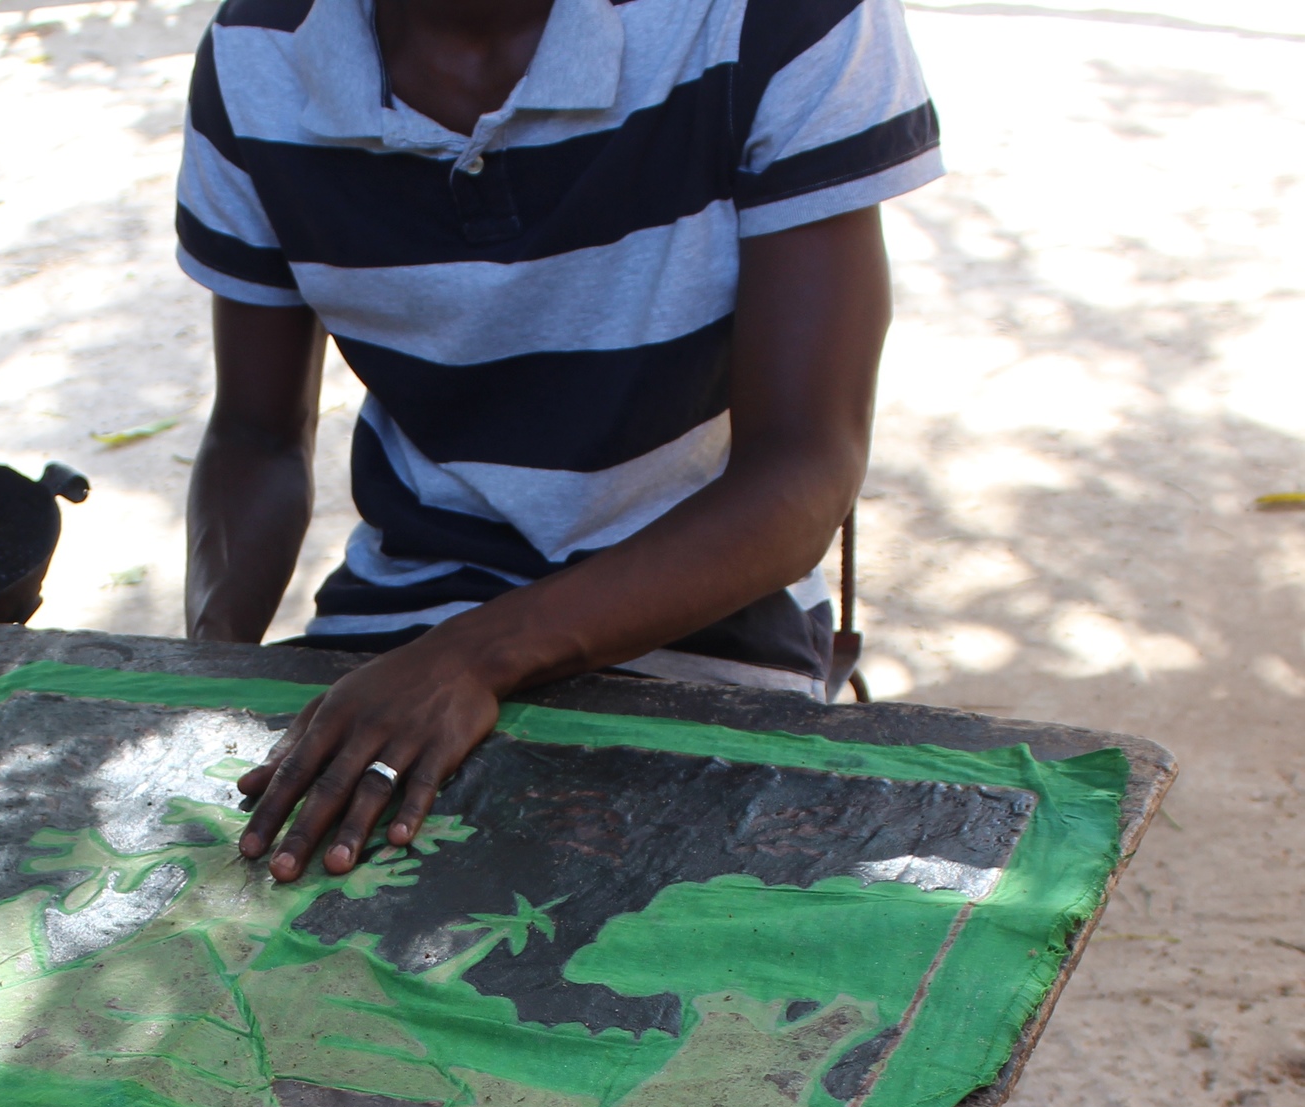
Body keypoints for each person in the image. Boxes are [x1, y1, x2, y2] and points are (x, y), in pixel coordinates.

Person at [176, 0, 942, 879]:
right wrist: (206, 672)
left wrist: (471, 658)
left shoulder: (774, 20)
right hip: (396, 629)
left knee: (621, 955)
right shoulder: (258, 51)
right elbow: (254, 434)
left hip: (707, 626)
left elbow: (805, 471)